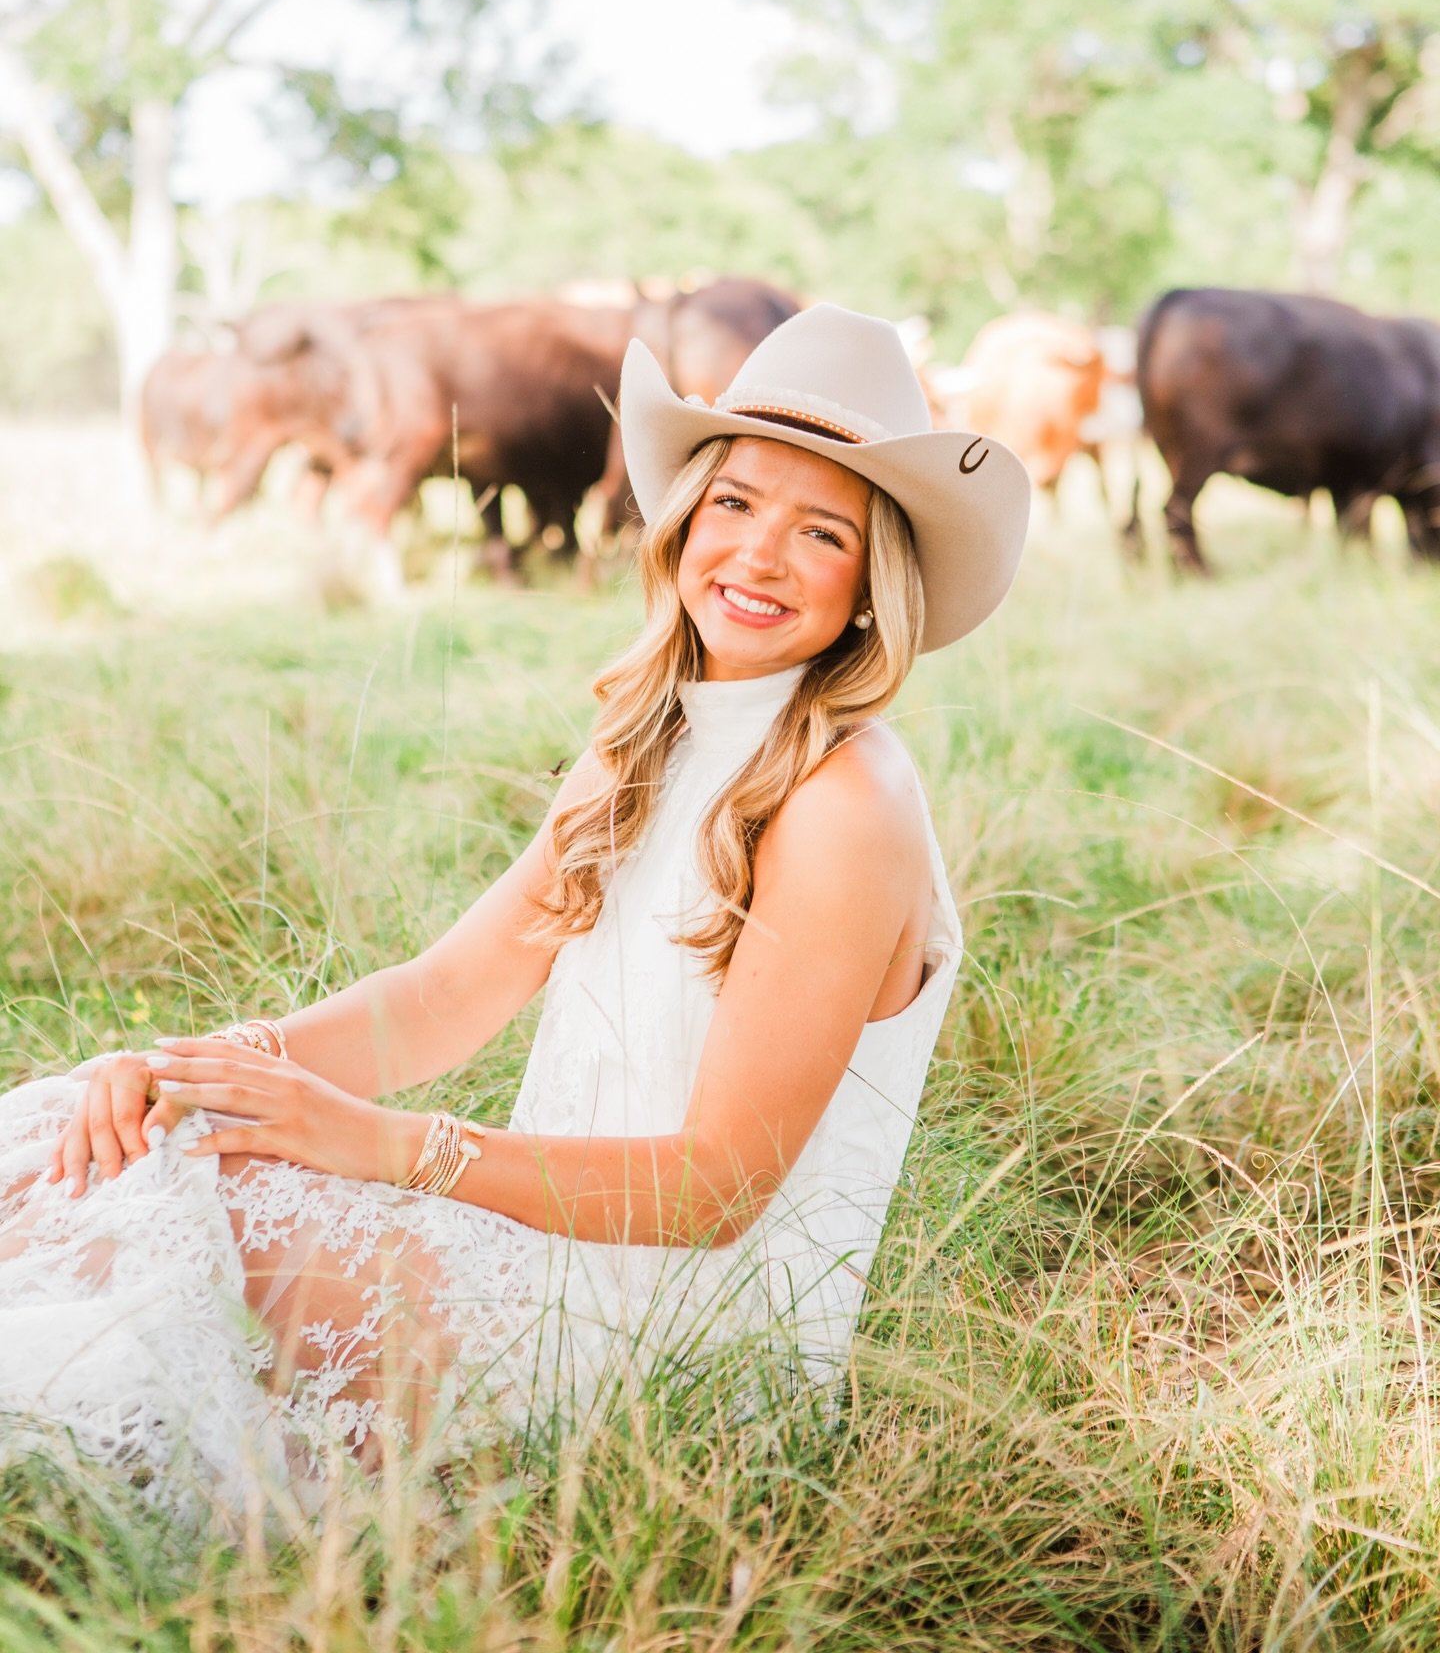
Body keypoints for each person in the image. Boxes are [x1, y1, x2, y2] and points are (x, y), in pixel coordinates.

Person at [0, 304, 1029, 1524]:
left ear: (874, 583)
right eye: (738, 505)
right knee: (88, 1125)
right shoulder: (650, 736)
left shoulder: (846, 799)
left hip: (671, 1339)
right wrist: (192, 1070)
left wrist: (380, 1146)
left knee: (176, 1204)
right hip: (530, 1240)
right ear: (686, 516)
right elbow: (445, 996)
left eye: (822, 532)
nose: (757, 557)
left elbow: (718, 1190)